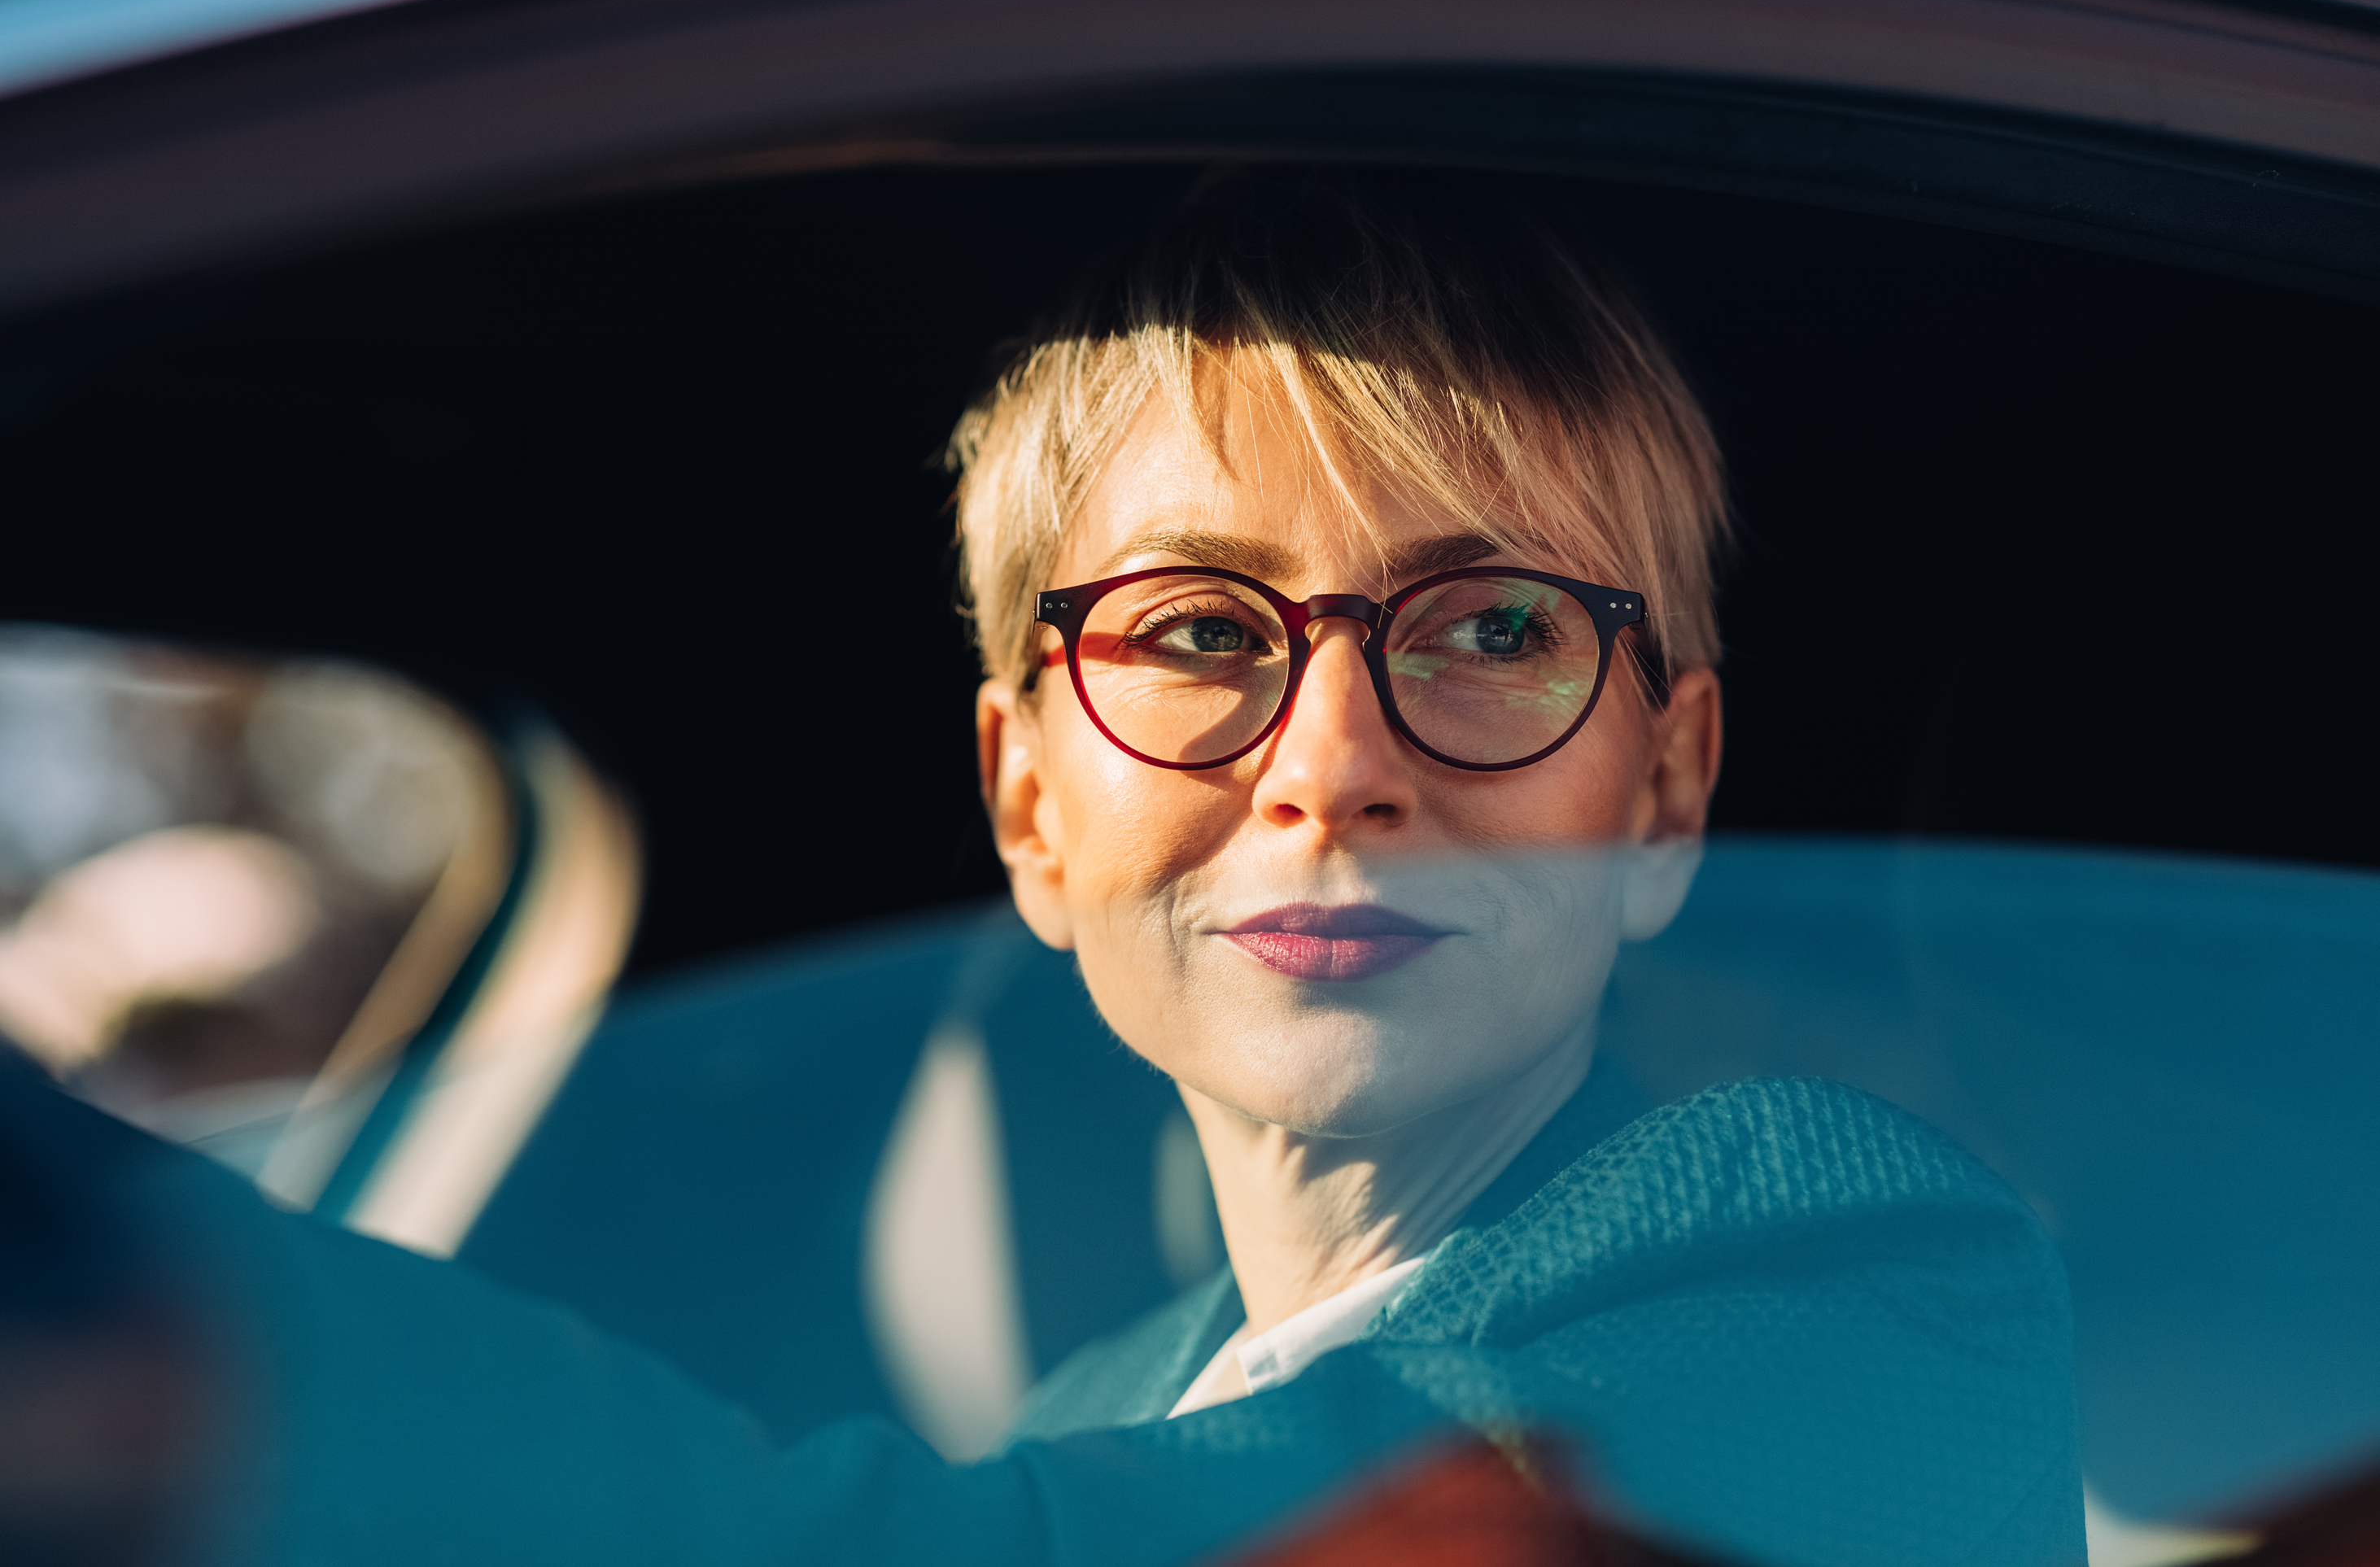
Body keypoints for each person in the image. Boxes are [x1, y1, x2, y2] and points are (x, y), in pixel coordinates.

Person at [0, 168, 2081, 1567]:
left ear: (1664, 798)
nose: (1331, 768)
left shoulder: (1847, 1275)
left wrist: (125, 1304)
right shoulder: (1100, 1409)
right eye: (1193, 634)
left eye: (1493, 627)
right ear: (1025, 809)